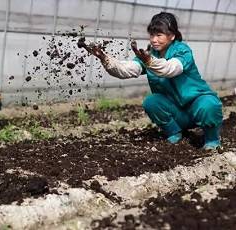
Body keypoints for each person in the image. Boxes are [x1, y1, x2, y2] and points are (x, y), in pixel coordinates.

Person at [82, 12, 223, 151]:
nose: (154, 40)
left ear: (172, 36)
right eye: (152, 35)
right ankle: (175, 132)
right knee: (152, 102)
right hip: (177, 112)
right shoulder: (149, 55)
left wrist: (149, 61)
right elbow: (128, 69)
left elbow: (170, 68)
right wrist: (105, 59)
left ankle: (211, 139)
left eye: (159, 35)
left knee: (208, 104)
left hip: (196, 107)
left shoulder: (182, 50)